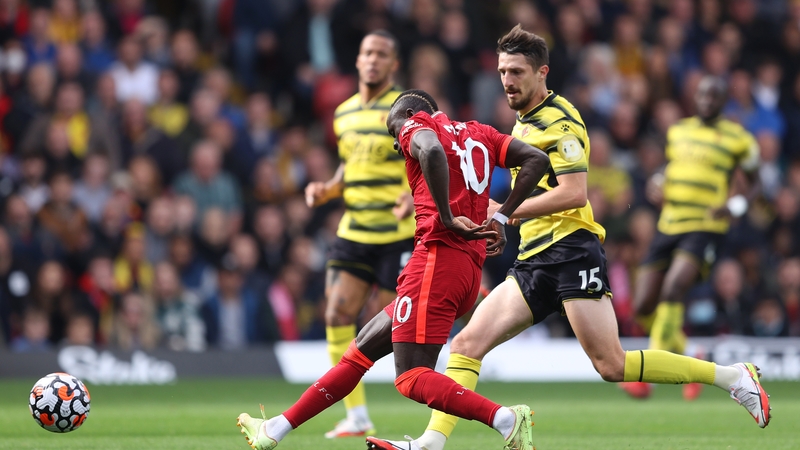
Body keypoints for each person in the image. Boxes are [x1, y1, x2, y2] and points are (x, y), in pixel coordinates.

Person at [366, 25, 771, 450]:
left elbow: (574, 193)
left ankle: (732, 376)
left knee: (611, 364)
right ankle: (432, 442)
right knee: (467, 343)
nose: (507, 81)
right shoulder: (523, 124)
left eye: (517, 72)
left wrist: (505, 213)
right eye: (503, 71)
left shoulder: (560, 120)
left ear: (542, 72)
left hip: (571, 251)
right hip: (534, 257)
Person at [236, 88, 551, 450]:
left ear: (411, 114)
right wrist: (502, 216)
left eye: (393, 131)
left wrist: (447, 216)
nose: (397, 144)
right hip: (467, 267)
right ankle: (274, 429)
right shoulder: (480, 133)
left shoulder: (415, 123)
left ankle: (505, 419)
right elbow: (536, 159)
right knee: (359, 352)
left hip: (436, 262)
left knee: (411, 377)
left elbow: (431, 149)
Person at [301, 30, 415, 439]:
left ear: (393, 64)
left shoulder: (406, 108)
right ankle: (357, 415)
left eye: (382, 54)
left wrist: (413, 195)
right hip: (354, 230)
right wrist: (328, 189)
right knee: (335, 314)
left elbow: (426, 158)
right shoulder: (344, 113)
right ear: (357, 59)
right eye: (367, 52)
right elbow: (349, 166)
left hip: (396, 233)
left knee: (393, 326)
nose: (372, 59)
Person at [622, 75, 762, 401]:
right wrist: (658, 181)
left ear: (724, 101)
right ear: (694, 97)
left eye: (714, 96)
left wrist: (736, 205)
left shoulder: (739, 139)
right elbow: (671, 167)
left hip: (705, 225)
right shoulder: (678, 131)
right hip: (668, 223)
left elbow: (756, 182)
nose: (707, 101)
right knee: (642, 304)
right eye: (702, 95)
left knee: (673, 289)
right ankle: (691, 357)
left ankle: (647, 378)